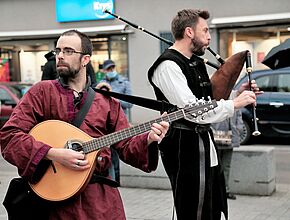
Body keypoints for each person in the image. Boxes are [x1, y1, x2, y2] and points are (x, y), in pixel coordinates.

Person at [0, 29, 169, 220]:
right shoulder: (41, 92)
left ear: (85, 60)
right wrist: (53, 153)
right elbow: (10, 137)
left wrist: (148, 138)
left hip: (99, 203)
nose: (61, 56)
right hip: (53, 202)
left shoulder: (107, 102)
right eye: (58, 51)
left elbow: (127, 147)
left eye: (69, 51)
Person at [147, 9, 259, 220]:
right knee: (193, 209)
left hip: (204, 142)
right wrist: (234, 104)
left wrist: (241, 93)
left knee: (212, 205)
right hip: (184, 147)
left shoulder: (194, 62)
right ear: (189, 32)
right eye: (205, 30)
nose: (209, 36)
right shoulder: (168, 66)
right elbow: (192, 111)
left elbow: (210, 99)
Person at [96, 59, 133, 184]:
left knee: (117, 152)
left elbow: (129, 103)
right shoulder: (101, 83)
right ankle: (109, 179)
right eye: (108, 69)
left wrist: (113, 97)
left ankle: (116, 180)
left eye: (112, 68)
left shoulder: (124, 82)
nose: (111, 71)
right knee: (107, 152)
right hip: (104, 123)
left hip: (120, 122)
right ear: (104, 70)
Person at [211, 91, 244, 200]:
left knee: (226, 166)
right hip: (217, 136)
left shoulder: (234, 95)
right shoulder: (215, 93)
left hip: (230, 137)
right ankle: (214, 191)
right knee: (214, 166)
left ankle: (225, 190)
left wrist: (239, 128)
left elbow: (238, 114)